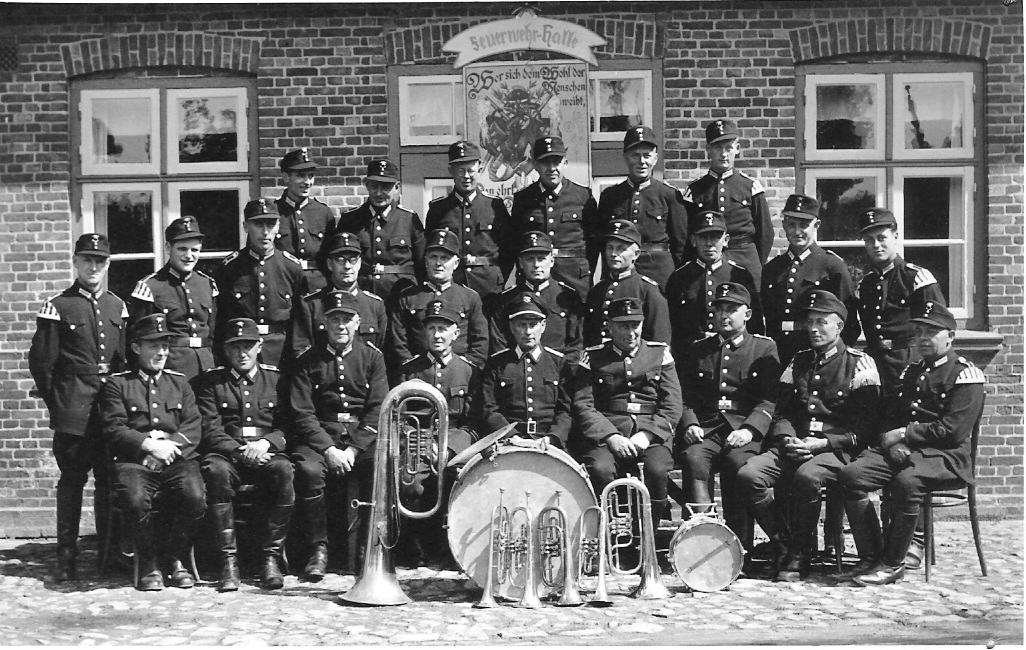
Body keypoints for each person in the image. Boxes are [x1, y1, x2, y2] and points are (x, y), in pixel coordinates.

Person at [736, 290, 881, 582]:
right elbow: (781, 412)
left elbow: (867, 426)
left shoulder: (860, 363)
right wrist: (787, 438)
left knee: (807, 476)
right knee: (749, 475)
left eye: (822, 322)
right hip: (796, 445)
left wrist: (825, 443)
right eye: (810, 322)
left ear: (839, 326)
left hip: (836, 450)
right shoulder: (798, 361)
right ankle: (787, 541)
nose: (813, 329)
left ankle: (799, 554)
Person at [838, 301, 985, 586]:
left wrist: (905, 434)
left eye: (932, 333)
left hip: (946, 458)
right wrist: (892, 442)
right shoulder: (911, 371)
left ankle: (894, 563)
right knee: (851, 475)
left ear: (950, 337)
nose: (923, 339)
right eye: (919, 333)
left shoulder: (966, 374)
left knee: (907, 481)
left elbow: (953, 431)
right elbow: (890, 416)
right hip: (904, 451)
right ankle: (872, 555)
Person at [29, 233, 128, 581]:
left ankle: (107, 555)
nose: (93, 266)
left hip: (108, 410)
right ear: (75, 262)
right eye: (87, 259)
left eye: (100, 261)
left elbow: (123, 360)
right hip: (73, 408)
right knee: (72, 481)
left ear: (108, 265)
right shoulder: (59, 306)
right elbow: (42, 364)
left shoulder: (117, 306)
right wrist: (59, 405)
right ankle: (66, 557)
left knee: (108, 481)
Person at [99, 314, 207, 591]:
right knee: (134, 499)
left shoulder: (180, 383)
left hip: (176, 459)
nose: (161, 352)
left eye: (165, 346)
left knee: (195, 497)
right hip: (134, 461)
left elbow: (193, 425)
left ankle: (175, 557)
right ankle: (149, 562)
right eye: (153, 346)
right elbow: (113, 428)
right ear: (136, 348)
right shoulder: (118, 384)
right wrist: (147, 446)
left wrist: (169, 448)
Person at [288, 292, 387, 581]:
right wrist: (329, 449)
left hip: (361, 437)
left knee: (377, 467)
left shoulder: (372, 357)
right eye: (334, 319)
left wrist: (354, 449)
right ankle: (318, 550)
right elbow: (302, 412)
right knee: (308, 469)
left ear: (357, 323)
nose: (340, 326)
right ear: (324, 323)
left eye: (347, 319)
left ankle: (367, 552)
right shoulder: (307, 360)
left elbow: (377, 407)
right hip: (321, 436)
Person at [676, 283, 780, 549]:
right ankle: (698, 543)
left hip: (743, 429)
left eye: (732, 309)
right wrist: (690, 423)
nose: (724, 315)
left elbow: (770, 398)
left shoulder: (763, 348)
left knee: (738, 466)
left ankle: (739, 548)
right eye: (719, 309)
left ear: (747, 314)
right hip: (707, 428)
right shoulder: (699, 349)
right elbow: (685, 395)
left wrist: (749, 430)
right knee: (694, 458)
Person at [195, 318, 294, 591]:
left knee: (284, 471)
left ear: (259, 346)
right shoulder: (212, 383)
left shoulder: (276, 379)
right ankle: (229, 561)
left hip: (266, 453)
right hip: (227, 455)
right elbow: (210, 430)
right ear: (226, 351)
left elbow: (288, 425)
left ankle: (270, 558)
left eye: (248, 346)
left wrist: (266, 444)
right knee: (214, 471)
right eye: (235, 347)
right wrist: (239, 451)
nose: (242, 353)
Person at [573, 297, 682, 520]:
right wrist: (611, 436)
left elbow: (672, 404)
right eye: (623, 326)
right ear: (610, 326)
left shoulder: (659, 354)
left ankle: (650, 532)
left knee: (657, 470)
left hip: (652, 433)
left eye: (635, 325)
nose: (631, 332)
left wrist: (648, 435)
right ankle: (613, 530)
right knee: (601, 469)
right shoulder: (593, 357)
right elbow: (584, 404)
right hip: (609, 432)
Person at [397, 300, 480, 566]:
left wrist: (449, 448)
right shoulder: (410, 370)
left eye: (443, 328)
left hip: (455, 441)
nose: (437, 334)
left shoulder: (469, 371)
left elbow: (473, 422)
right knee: (411, 483)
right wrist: (422, 444)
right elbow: (399, 415)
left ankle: (453, 549)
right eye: (431, 328)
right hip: (416, 439)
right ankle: (416, 549)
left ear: (456, 333)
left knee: (461, 479)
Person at [855, 207, 946, 400]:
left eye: (881, 238)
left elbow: (939, 326)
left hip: (909, 362)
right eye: (869, 240)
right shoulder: (866, 284)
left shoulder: (917, 278)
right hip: (875, 365)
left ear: (895, 236)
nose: (876, 245)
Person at [761, 194, 859, 366]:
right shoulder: (772, 269)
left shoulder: (832, 266)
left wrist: (832, 361)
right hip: (777, 356)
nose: (797, 231)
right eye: (791, 225)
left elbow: (849, 324)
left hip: (815, 357)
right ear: (784, 225)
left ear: (817, 225)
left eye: (804, 225)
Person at [216, 198, 306, 369]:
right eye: (258, 225)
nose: (265, 232)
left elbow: (300, 318)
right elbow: (222, 318)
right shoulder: (230, 268)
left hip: (281, 352)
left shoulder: (291, 267)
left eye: (270, 225)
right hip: (241, 351)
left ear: (278, 227)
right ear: (245, 227)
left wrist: (298, 353)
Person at [682, 119, 774, 287]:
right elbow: (687, 234)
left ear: (737, 149)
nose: (723, 154)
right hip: (707, 261)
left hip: (745, 258)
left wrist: (754, 262)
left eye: (728, 148)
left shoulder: (750, 187)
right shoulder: (695, 190)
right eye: (717, 148)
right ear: (708, 150)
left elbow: (765, 233)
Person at [596, 125, 688, 290]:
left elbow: (680, 245)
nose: (641, 162)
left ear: (655, 158)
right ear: (625, 157)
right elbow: (603, 242)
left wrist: (678, 281)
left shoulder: (670, 195)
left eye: (647, 155)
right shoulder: (610, 196)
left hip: (659, 273)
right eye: (635, 155)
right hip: (620, 273)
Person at [665, 210, 763, 363]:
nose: (709, 243)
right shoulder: (680, 277)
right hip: (690, 356)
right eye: (703, 237)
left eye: (716, 237)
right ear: (693, 240)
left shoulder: (739, 275)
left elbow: (755, 322)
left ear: (726, 240)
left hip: (733, 355)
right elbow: (671, 323)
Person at [507, 136, 599, 299]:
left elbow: (594, 243)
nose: (551, 168)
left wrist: (584, 270)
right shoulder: (524, 199)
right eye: (544, 162)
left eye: (556, 162)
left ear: (565, 162)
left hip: (574, 277)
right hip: (533, 278)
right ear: (535, 165)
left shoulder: (582, 196)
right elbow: (515, 243)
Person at [479, 293, 573, 447]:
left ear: (542, 326)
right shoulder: (497, 363)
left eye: (532, 325)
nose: (528, 332)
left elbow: (565, 411)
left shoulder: (559, 363)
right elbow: (489, 408)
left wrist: (552, 438)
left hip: (548, 442)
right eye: (522, 325)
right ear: (511, 327)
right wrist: (512, 436)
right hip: (508, 441)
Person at [129, 217, 218, 380]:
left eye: (195, 250)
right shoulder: (150, 286)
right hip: (171, 370)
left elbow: (214, 333)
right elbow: (137, 339)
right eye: (182, 249)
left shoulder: (208, 284)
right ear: (168, 247)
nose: (189, 256)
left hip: (207, 367)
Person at [425, 140, 510, 308]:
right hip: (451, 284)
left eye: (470, 170)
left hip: (488, 286)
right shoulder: (438, 209)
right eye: (460, 170)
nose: (466, 176)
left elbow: (509, 250)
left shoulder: (494, 206)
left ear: (479, 169)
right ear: (451, 171)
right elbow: (428, 248)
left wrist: (498, 277)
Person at [388, 228, 489, 370]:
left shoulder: (470, 297)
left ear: (456, 263)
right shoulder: (408, 297)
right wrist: (411, 367)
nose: (438, 263)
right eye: (433, 257)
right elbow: (398, 341)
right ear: (426, 261)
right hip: (418, 372)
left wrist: (464, 369)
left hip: (458, 375)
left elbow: (480, 341)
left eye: (445, 258)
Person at [489, 230, 584, 363]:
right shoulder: (507, 299)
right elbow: (499, 342)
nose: (536, 265)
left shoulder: (568, 297)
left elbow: (576, 343)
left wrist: (563, 369)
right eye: (530, 259)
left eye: (541, 259)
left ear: (551, 261)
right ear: (521, 263)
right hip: (515, 369)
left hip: (557, 372)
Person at [337, 159, 425, 300]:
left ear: (397, 187)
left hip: (402, 296)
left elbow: (422, 264)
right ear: (366, 184)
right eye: (374, 186)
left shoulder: (409, 220)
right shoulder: (350, 220)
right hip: (363, 295)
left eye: (385, 187)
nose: (379, 193)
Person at [293, 231, 387, 355]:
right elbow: (302, 351)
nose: (347, 266)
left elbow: (379, 351)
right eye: (340, 260)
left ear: (359, 263)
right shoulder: (311, 304)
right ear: (330, 264)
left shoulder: (375, 305)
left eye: (352, 260)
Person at [583, 219, 670, 347]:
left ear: (636, 254)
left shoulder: (647, 290)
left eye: (621, 249)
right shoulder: (598, 290)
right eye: (610, 248)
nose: (613, 254)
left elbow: (659, 340)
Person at [275, 147, 338, 292]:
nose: (307, 182)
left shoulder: (323, 213)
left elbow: (331, 256)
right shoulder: (274, 212)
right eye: (301, 175)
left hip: (317, 287)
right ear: (286, 177)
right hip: (283, 285)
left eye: (311, 176)